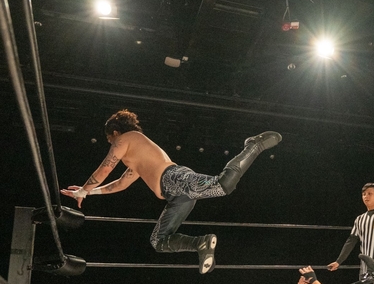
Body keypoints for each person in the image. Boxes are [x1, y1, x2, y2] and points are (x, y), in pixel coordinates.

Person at [61, 109, 282, 274]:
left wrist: (83, 189)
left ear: (115, 132)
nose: (110, 142)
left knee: (223, 185)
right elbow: (120, 183)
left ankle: (253, 145)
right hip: (175, 196)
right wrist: (89, 193)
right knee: (158, 241)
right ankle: (201, 243)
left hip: (174, 179)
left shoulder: (125, 139)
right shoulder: (136, 158)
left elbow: (105, 168)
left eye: (109, 138)